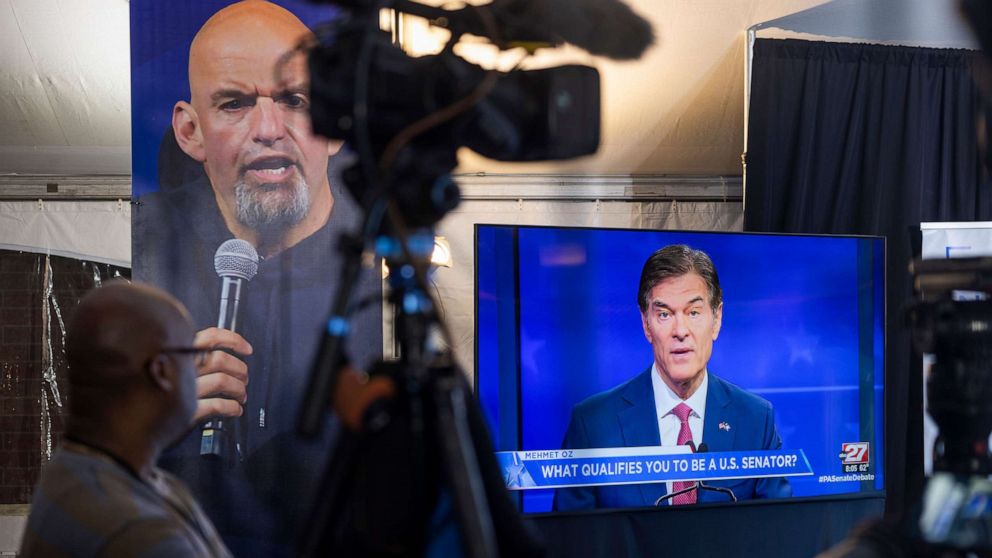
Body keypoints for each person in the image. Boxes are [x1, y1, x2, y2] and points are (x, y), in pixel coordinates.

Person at [132, 1, 382, 555]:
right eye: (236, 103)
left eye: (295, 101)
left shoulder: (383, 274)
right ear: (190, 131)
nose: (269, 130)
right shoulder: (139, 256)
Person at [553, 244, 791, 510]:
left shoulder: (756, 420)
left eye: (693, 312)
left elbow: (778, 531)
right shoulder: (593, 424)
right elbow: (572, 540)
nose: (681, 331)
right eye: (664, 314)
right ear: (646, 324)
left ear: (717, 319)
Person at [19, 282, 231, 558]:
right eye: (195, 355)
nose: (200, 368)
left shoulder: (75, 470)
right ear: (161, 371)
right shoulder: (138, 534)